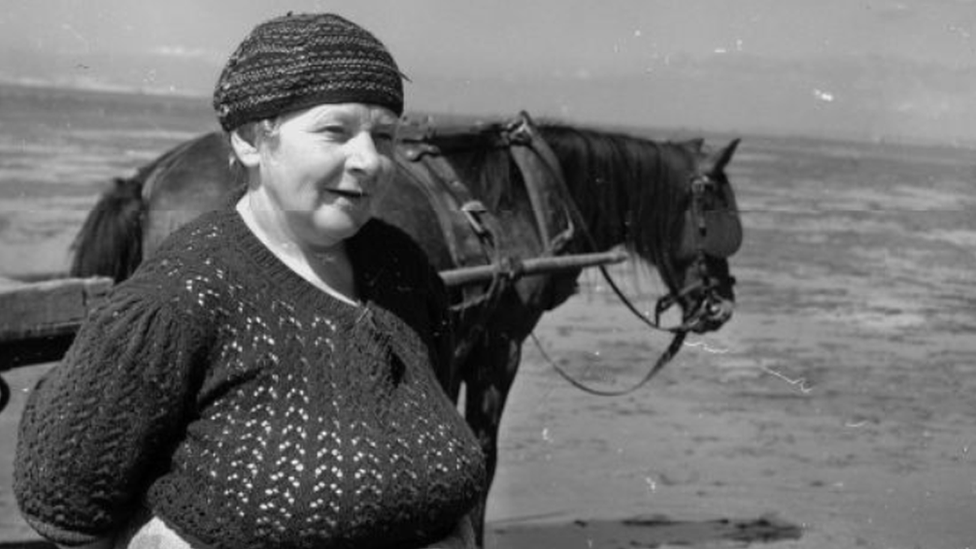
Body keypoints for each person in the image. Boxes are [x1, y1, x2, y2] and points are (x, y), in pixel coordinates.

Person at [15, 12, 485, 549]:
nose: (371, 161)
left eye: (384, 136)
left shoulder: (403, 269)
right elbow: (61, 496)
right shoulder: (181, 296)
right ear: (248, 142)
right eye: (336, 131)